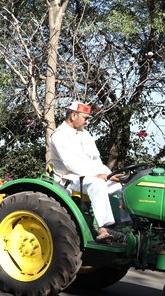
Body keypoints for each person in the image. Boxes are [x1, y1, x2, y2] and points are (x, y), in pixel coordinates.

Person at [50, 102, 123, 243]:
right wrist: (95, 176)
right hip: (69, 179)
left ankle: (125, 225)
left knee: (120, 187)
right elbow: (70, 163)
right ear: (73, 116)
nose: (87, 122)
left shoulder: (85, 135)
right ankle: (103, 228)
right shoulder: (59, 136)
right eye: (85, 118)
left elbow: (96, 160)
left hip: (88, 176)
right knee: (97, 184)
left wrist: (110, 176)